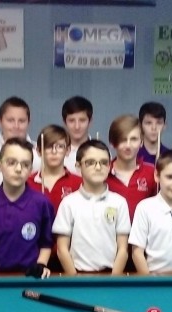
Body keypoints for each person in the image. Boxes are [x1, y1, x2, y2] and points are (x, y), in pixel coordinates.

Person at [0, 137, 53, 279]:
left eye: (25, 164)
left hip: (30, 277)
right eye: (11, 163)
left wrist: (41, 264)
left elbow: (46, 242)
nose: (18, 169)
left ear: (31, 169)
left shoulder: (42, 203)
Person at [52, 140, 130, 275]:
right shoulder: (69, 203)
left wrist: (113, 280)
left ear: (109, 166)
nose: (98, 167)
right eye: (90, 162)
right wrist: (74, 278)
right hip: (77, 275)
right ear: (78, 167)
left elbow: (123, 249)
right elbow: (62, 249)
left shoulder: (119, 202)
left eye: (104, 162)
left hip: (110, 275)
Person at [106, 114, 157, 221]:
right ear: (112, 143)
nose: (128, 145)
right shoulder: (103, 172)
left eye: (134, 139)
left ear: (141, 142)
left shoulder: (152, 172)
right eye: (123, 140)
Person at [28, 125, 82, 212]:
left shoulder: (79, 183)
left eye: (60, 146)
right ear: (38, 151)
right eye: (49, 146)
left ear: (68, 150)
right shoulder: (27, 183)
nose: (54, 152)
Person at [61, 96, 93, 174]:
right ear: (64, 122)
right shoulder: (56, 153)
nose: (77, 126)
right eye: (71, 121)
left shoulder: (101, 152)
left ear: (90, 122)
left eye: (82, 120)